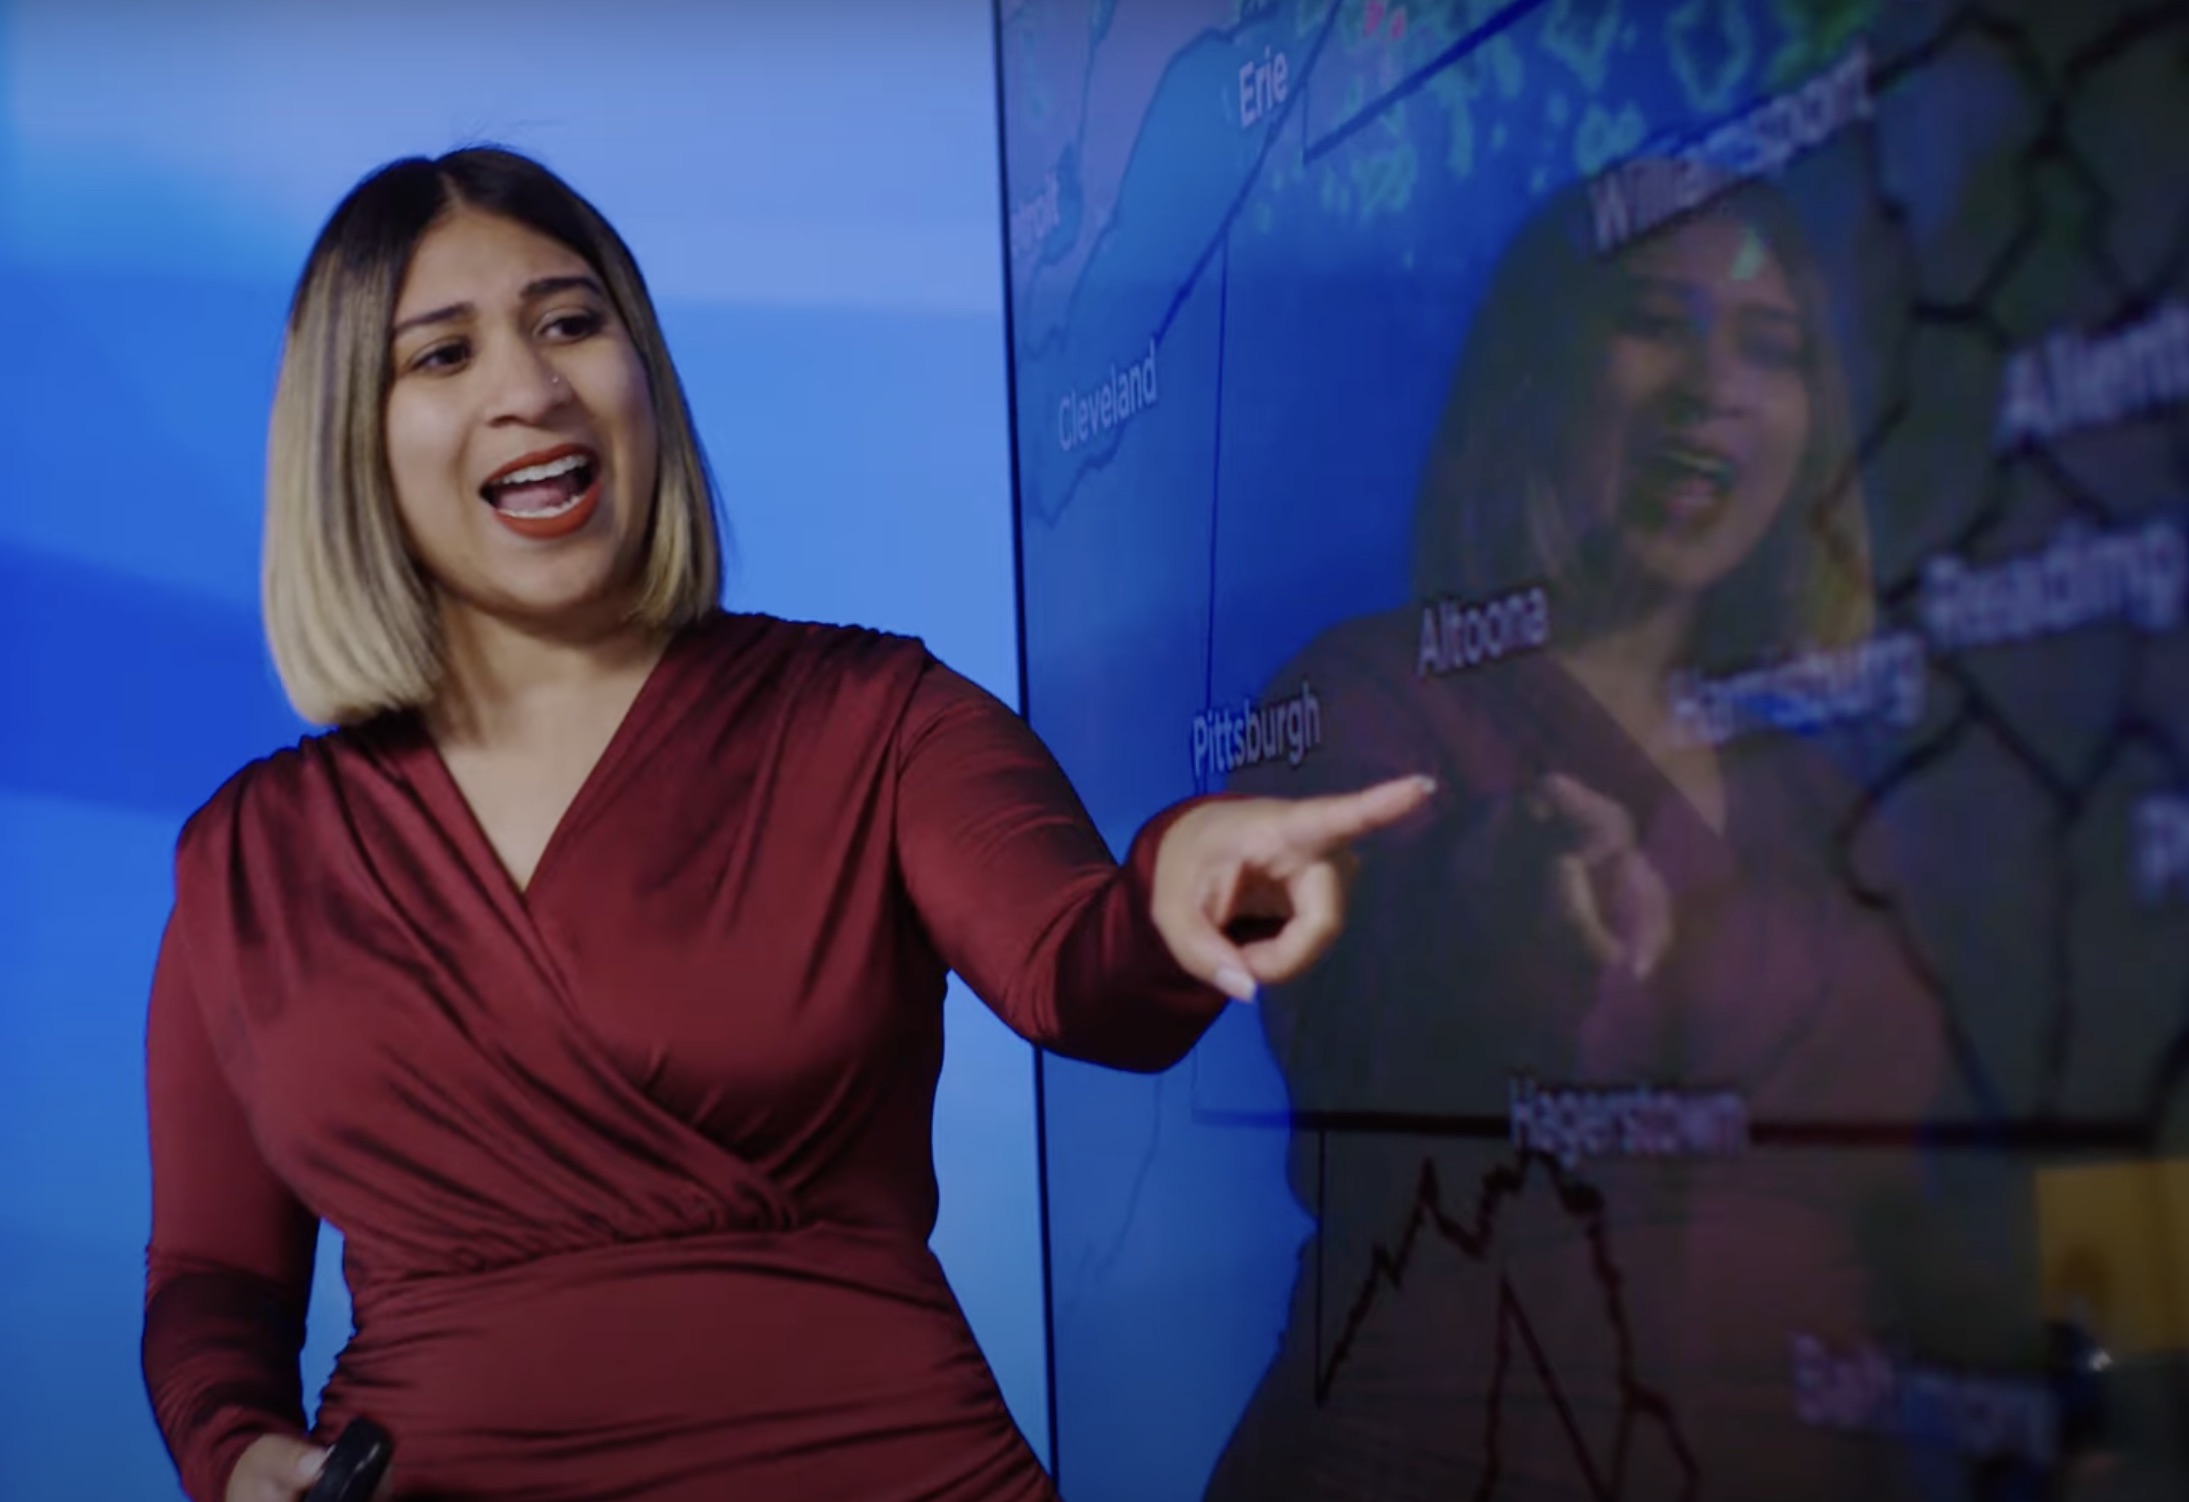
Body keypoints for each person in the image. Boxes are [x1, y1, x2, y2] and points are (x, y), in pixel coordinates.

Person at [139, 145, 1431, 1502]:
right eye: (442, 355)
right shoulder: (246, 859)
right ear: (351, 433)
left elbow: (1080, 965)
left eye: (571, 322)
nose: (531, 388)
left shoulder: (873, 716)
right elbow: (213, 1276)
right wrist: (237, 1453)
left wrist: (1177, 884)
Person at [1203, 173, 1994, 1499]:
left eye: (1770, 345)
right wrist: (1498, 945)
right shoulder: (1361, 697)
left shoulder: (1815, 791)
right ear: (1534, 378)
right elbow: (1352, 1056)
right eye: (1651, 321)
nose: (1711, 385)